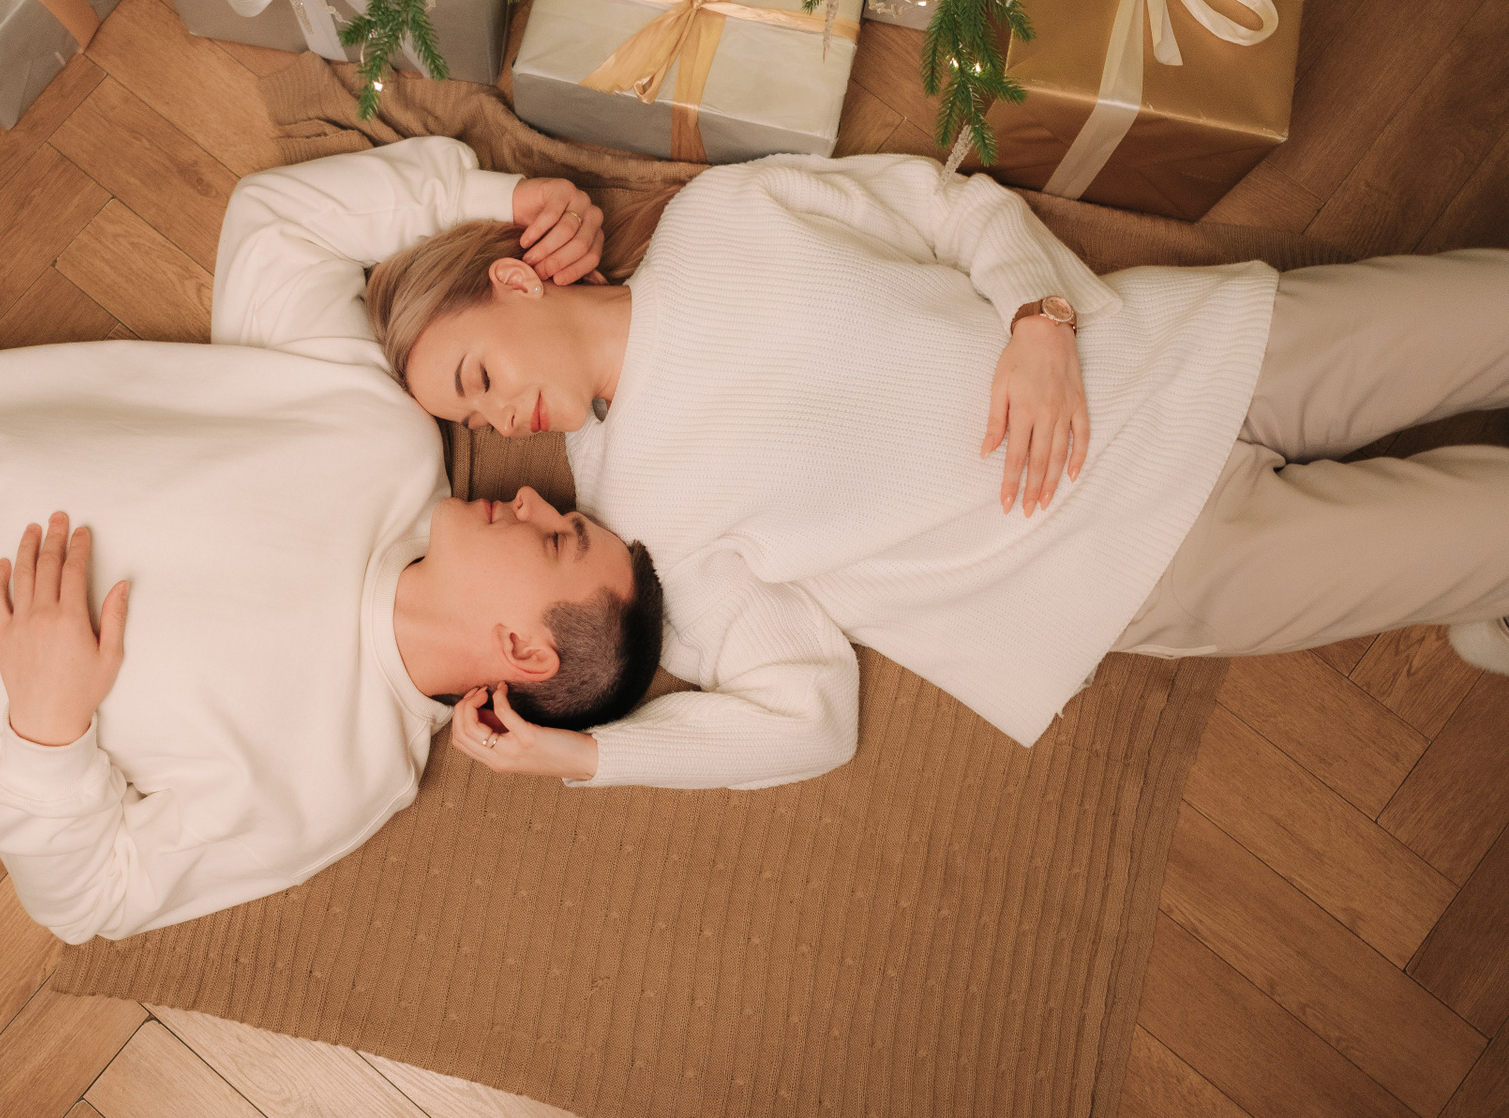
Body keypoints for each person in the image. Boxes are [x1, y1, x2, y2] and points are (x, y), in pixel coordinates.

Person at [0, 143, 664, 944]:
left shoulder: (340, 781)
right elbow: (279, 224)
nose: (533, 499)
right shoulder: (381, 438)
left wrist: (50, 727)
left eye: (557, 538)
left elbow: (93, 897)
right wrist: (500, 202)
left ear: (522, 652)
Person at [353, 147, 1509, 788]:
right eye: (476, 415)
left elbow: (949, 210)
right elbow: (807, 716)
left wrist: (1040, 318)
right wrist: (589, 754)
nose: (501, 420)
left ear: (516, 283)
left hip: (1189, 353)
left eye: (477, 376)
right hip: (1152, 565)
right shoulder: (633, 526)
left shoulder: (723, 215)